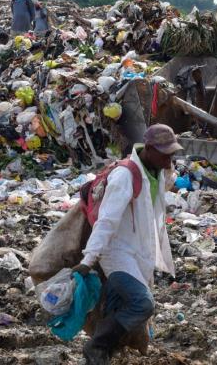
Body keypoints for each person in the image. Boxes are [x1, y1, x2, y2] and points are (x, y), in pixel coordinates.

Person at [73, 124, 180, 363]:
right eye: (166, 154)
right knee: (143, 304)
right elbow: (106, 220)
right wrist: (89, 260)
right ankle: (95, 347)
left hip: (138, 252)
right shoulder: (125, 175)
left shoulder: (155, 171)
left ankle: (98, 357)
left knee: (113, 311)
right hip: (116, 254)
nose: (169, 159)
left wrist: (168, 163)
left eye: (172, 154)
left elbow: (166, 185)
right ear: (149, 149)